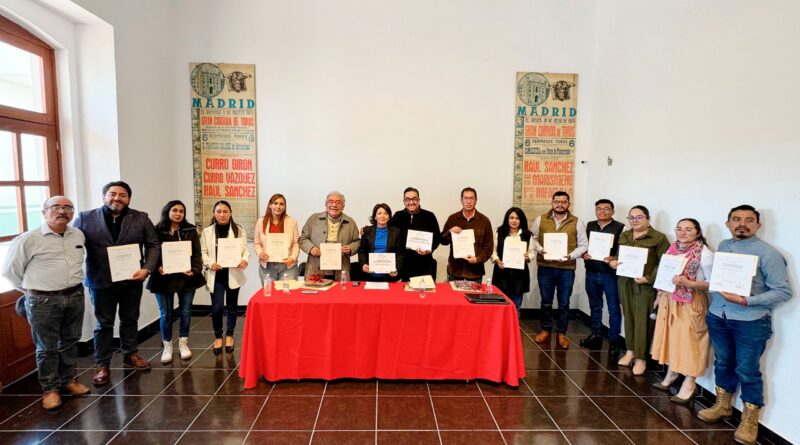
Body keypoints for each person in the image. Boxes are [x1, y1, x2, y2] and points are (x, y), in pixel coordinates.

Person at [697, 205, 792, 445]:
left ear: (758, 225)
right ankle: (723, 405)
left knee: (747, 370)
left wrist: (745, 300)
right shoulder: (724, 246)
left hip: (750, 322)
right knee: (722, 362)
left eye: (749, 220)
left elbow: (783, 291)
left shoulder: (768, 253)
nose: (742, 224)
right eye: (736, 219)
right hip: (718, 316)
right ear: (728, 223)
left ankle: (750, 420)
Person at [2, 196, 91, 409]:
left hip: (75, 296)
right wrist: (33, 291)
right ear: (44, 212)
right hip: (42, 300)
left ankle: (68, 381)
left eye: (67, 207)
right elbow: (10, 272)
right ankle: (50, 389)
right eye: (56, 207)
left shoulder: (77, 234)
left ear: (72, 213)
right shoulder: (27, 239)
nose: (62, 211)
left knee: (70, 341)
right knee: (46, 346)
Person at [73, 181, 159, 386]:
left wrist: (146, 269)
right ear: (104, 196)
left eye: (123, 195)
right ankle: (102, 364)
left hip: (132, 279)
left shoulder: (141, 218)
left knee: (130, 319)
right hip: (100, 280)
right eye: (112, 194)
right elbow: (71, 246)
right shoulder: (85, 218)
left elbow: (153, 245)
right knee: (104, 323)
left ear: (129, 199)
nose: (117, 198)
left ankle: (130, 354)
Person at [650, 218, 713, 404]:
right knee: (672, 338)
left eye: (688, 229)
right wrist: (659, 294)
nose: (683, 233)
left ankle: (690, 382)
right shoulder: (673, 249)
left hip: (691, 301)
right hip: (670, 299)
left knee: (691, 342)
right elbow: (664, 275)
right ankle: (672, 372)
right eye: (679, 229)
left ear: (698, 232)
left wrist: (688, 283)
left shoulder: (705, 254)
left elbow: (712, 283)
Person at [608, 205, 669, 375]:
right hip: (625, 282)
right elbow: (619, 257)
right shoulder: (625, 235)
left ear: (648, 218)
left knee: (643, 321)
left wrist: (649, 278)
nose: (635, 220)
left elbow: (664, 263)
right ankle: (630, 351)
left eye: (639, 217)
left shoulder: (658, 238)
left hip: (644, 285)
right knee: (628, 317)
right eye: (631, 218)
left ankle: (641, 358)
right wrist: (613, 262)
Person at [146, 200, 205, 364]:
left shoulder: (190, 230)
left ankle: (183, 343)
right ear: (167, 211)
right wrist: (157, 267)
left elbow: (197, 253)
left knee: (185, 311)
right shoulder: (156, 230)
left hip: (186, 278)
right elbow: (150, 252)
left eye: (181, 211)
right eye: (175, 210)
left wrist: (194, 269)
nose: (178, 214)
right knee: (166, 313)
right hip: (163, 279)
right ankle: (167, 346)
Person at [530, 191, 588, 350]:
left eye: (563, 202)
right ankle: (545, 329)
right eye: (557, 201)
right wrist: (541, 249)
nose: (560, 205)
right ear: (552, 203)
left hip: (566, 269)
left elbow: (584, 245)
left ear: (568, 204)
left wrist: (571, 256)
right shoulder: (540, 219)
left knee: (564, 302)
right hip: (546, 268)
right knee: (546, 301)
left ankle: (561, 333)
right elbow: (533, 239)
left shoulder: (577, 222)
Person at [200, 200, 249, 355]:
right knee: (217, 307)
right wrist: (210, 263)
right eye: (219, 211)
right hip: (216, 274)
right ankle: (218, 336)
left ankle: (229, 335)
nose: (222, 215)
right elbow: (203, 252)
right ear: (214, 213)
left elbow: (245, 250)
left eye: (225, 211)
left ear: (230, 213)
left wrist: (244, 259)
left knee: (232, 306)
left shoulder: (238, 229)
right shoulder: (207, 231)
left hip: (233, 272)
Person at [580, 199, 626, 357]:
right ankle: (596, 335)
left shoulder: (621, 227)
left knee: (614, 308)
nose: (602, 211)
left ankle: (614, 341)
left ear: (613, 211)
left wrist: (614, 257)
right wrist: (584, 254)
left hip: (610, 274)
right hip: (591, 271)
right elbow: (583, 245)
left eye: (606, 209)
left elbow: (624, 250)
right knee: (595, 306)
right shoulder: (590, 225)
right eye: (599, 209)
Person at [299, 191, 360, 281]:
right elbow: (302, 238)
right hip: (316, 267)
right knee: (316, 289)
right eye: (331, 202)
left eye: (338, 202)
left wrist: (350, 248)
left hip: (341, 269)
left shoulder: (350, 222)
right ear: (326, 204)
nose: (334, 205)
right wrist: (311, 248)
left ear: (343, 206)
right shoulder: (314, 219)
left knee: (339, 290)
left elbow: (357, 241)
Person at [440, 187, 493, 282]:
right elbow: (442, 241)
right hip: (455, 271)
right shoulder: (453, 218)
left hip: (475, 273)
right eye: (466, 198)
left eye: (471, 198)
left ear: (476, 201)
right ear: (461, 200)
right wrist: (449, 231)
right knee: (452, 293)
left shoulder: (484, 221)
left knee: (475, 293)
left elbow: (488, 247)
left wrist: (477, 259)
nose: (469, 201)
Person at [389, 187, 441, 281]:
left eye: (414, 199)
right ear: (404, 201)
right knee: (406, 289)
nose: (411, 202)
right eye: (407, 199)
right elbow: (385, 229)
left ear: (419, 200)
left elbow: (437, 238)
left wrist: (429, 250)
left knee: (424, 289)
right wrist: (367, 229)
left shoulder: (429, 216)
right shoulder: (398, 216)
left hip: (425, 263)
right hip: (405, 265)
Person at [490, 207, 534, 317]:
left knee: (516, 305)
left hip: (519, 274)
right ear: (507, 219)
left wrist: (527, 257)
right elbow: (492, 251)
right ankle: (500, 327)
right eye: (511, 218)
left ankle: (514, 327)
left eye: (517, 218)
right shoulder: (498, 232)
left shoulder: (528, 234)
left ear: (521, 220)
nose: (514, 221)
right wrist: (497, 260)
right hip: (502, 273)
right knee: (500, 304)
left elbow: (532, 252)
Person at [253, 194, 300, 284]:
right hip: (267, 266)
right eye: (275, 203)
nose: (278, 206)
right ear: (270, 205)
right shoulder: (261, 222)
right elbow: (257, 243)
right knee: (269, 292)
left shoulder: (292, 222)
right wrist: (260, 253)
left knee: (287, 292)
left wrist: (293, 257)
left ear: (285, 207)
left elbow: (296, 243)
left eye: (281, 204)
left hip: (288, 266)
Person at [358, 203, 404, 282]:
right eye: (379, 213)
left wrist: (396, 268)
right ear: (375, 216)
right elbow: (361, 250)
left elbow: (401, 253)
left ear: (389, 217)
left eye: (386, 213)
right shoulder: (367, 230)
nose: (382, 216)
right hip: (370, 274)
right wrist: (363, 264)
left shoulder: (396, 232)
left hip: (389, 275)